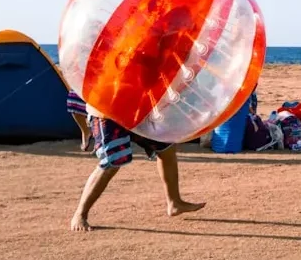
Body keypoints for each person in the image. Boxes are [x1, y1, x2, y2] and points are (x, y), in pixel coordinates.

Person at [69, 94, 206, 231]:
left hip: (138, 108)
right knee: (112, 162)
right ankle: (80, 214)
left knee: (166, 147)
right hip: (106, 111)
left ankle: (174, 202)